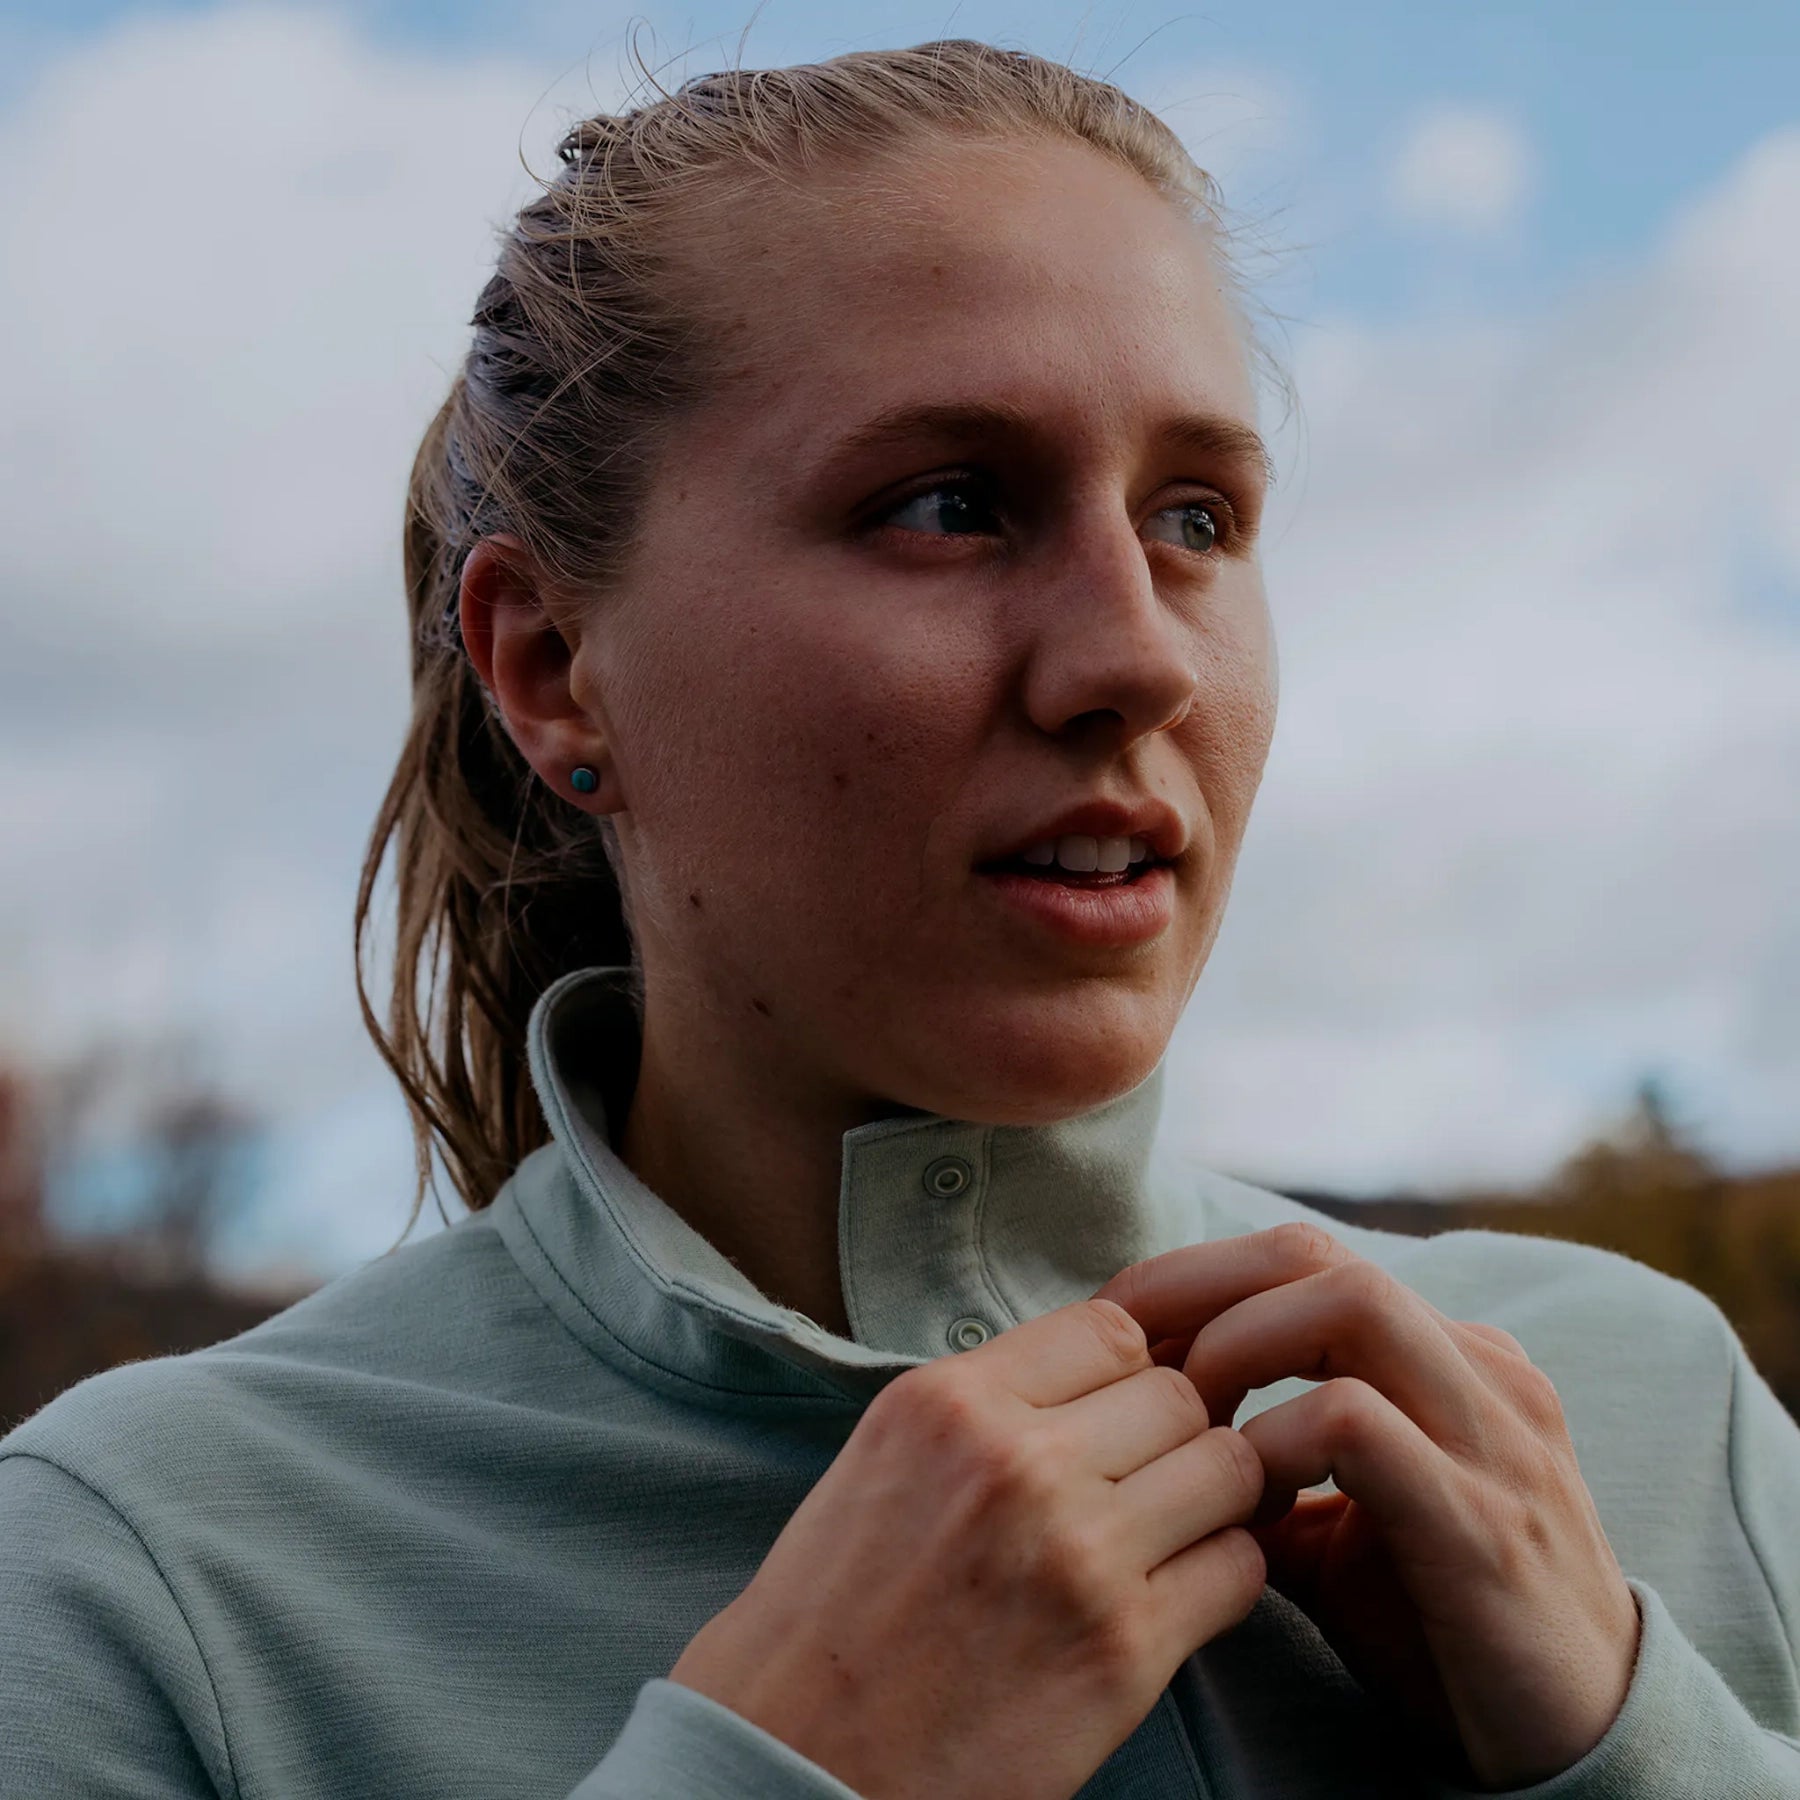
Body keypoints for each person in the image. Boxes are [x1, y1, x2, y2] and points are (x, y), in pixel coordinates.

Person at [2, 38, 1796, 1800]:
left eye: (1194, 517)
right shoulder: (135, 1584)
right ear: (550, 666)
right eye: (951, 507)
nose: (1138, 656)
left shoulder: (1653, 1408)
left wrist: (1641, 1749)